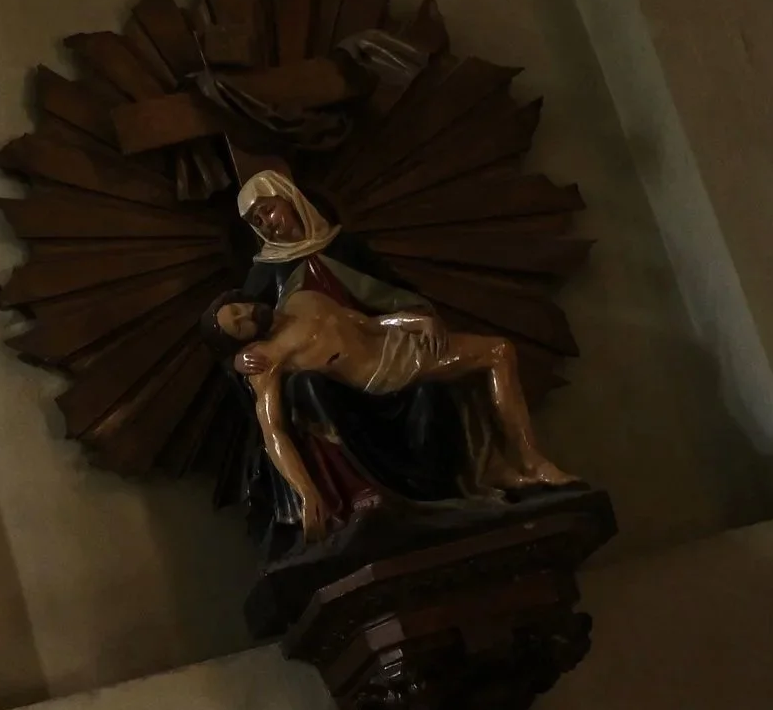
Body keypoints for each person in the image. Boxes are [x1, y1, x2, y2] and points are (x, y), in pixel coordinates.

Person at [217, 170, 574, 548]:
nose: (267, 225)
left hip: (390, 347)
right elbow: (239, 337)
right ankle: (362, 495)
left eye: (268, 210)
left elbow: (378, 309)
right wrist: (237, 364)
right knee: (311, 388)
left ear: (290, 198)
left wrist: (418, 315)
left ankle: (524, 462)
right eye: (257, 221)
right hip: (341, 382)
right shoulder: (264, 277)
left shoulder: (344, 249)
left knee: (498, 352)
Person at [209, 289, 575, 544]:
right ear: (244, 342)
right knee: (489, 358)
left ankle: (533, 461)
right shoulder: (265, 358)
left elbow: (369, 324)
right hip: (377, 381)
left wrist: (413, 322)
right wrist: (306, 493)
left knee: (499, 350)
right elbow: (274, 431)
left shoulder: (304, 299)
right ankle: (496, 470)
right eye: (239, 325)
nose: (247, 315)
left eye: (238, 308)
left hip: (401, 352)